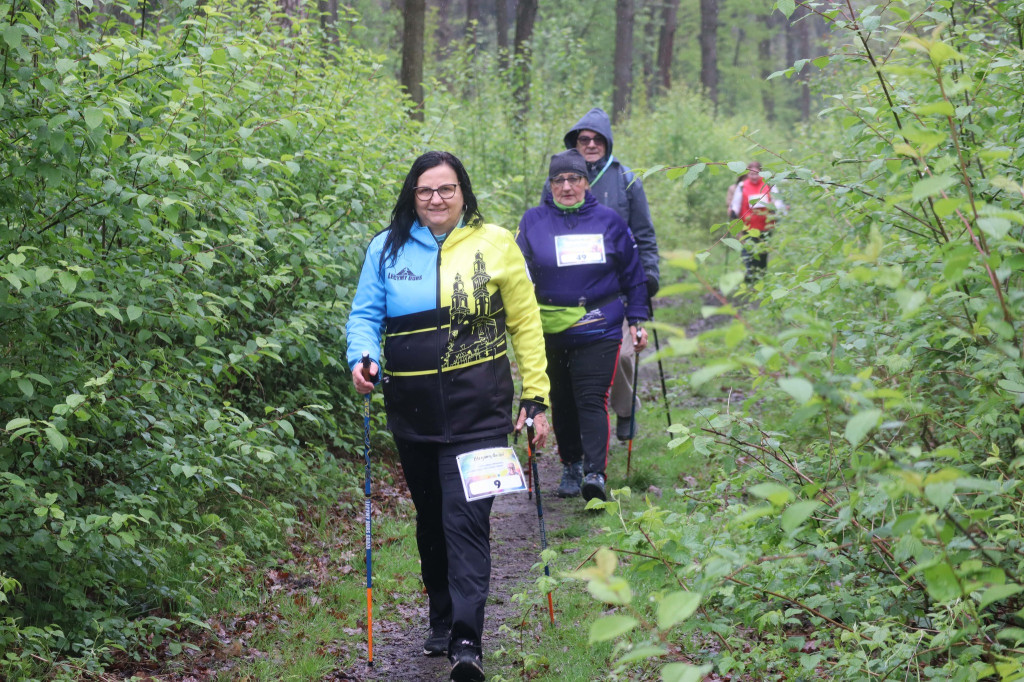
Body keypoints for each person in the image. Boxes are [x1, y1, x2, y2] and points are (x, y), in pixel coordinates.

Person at [346, 151, 550, 682]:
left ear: (463, 192)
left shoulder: (496, 243)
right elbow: (365, 317)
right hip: (412, 411)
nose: (436, 199)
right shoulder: (385, 248)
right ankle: (440, 615)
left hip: (481, 410)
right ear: (412, 196)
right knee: (432, 519)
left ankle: (466, 642)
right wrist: (362, 359)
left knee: (466, 520)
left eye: (446, 189)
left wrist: (536, 397)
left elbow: (526, 324)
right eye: (425, 190)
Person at [518, 149, 648, 503]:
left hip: (599, 325)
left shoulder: (609, 221)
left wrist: (637, 319)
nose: (566, 186)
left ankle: (595, 474)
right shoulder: (533, 221)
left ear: (586, 182)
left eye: (574, 178)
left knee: (592, 399)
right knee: (561, 400)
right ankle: (571, 465)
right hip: (549, 329)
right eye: (558, 180)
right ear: (550, 184)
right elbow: (517, 272)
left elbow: (633, 273)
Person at [548, 107, 659, 443]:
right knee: (574, 365)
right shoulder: (558, 181)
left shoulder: (626, 179)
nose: (591, 144)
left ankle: (624, 409)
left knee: (622, 354)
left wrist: (650, 274)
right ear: (575, 143)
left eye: (598, 139)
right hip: (570, 290)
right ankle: (583, 440)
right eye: (584, 139)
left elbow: (644, 233)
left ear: (607, 142)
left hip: (619, 286)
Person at [728, 161, 787, 283]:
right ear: (748, 174)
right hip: (748, 226)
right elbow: (736, 203)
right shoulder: (742, 186)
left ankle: (761, 276)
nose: (754, 176)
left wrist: (779, 211)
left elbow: (777, 201)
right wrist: (733, 213)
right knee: (749, 250)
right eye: (751, 174)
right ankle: (750, 274)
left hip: (766, 226)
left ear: (761, 173)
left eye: (756, 174)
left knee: (763, 253)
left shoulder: (768, 184)